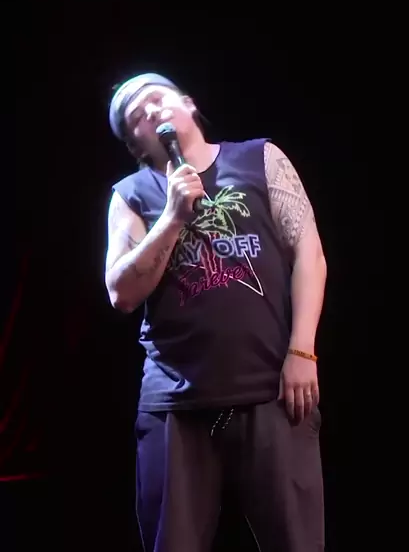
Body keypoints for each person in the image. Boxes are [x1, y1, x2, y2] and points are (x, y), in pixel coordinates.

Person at [105, 72, 328, 552]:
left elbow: (309, 254)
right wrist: (171, 216)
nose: (151, 111)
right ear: (136, 144)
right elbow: (121, 293)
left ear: (188, 104)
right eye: (137, 116)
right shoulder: (132, 194)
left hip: (273, 392)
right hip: (176, 406)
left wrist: (302, 350)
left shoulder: (260, 158)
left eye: (157, 98)